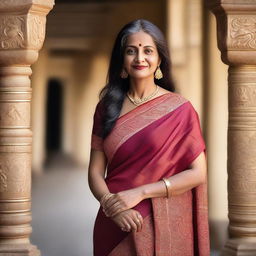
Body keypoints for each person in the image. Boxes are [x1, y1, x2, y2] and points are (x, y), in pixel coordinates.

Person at [88, 19, 210, 256]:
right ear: (122, 60)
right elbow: (94, 172)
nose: (139, 58)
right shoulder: (107, 107)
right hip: (112, 220)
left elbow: (198, 173)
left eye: (148, 51)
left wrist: (141, 192)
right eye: (131, 51)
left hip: (157, 219)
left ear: (160, 59)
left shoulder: (180, 109)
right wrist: (112, 208)